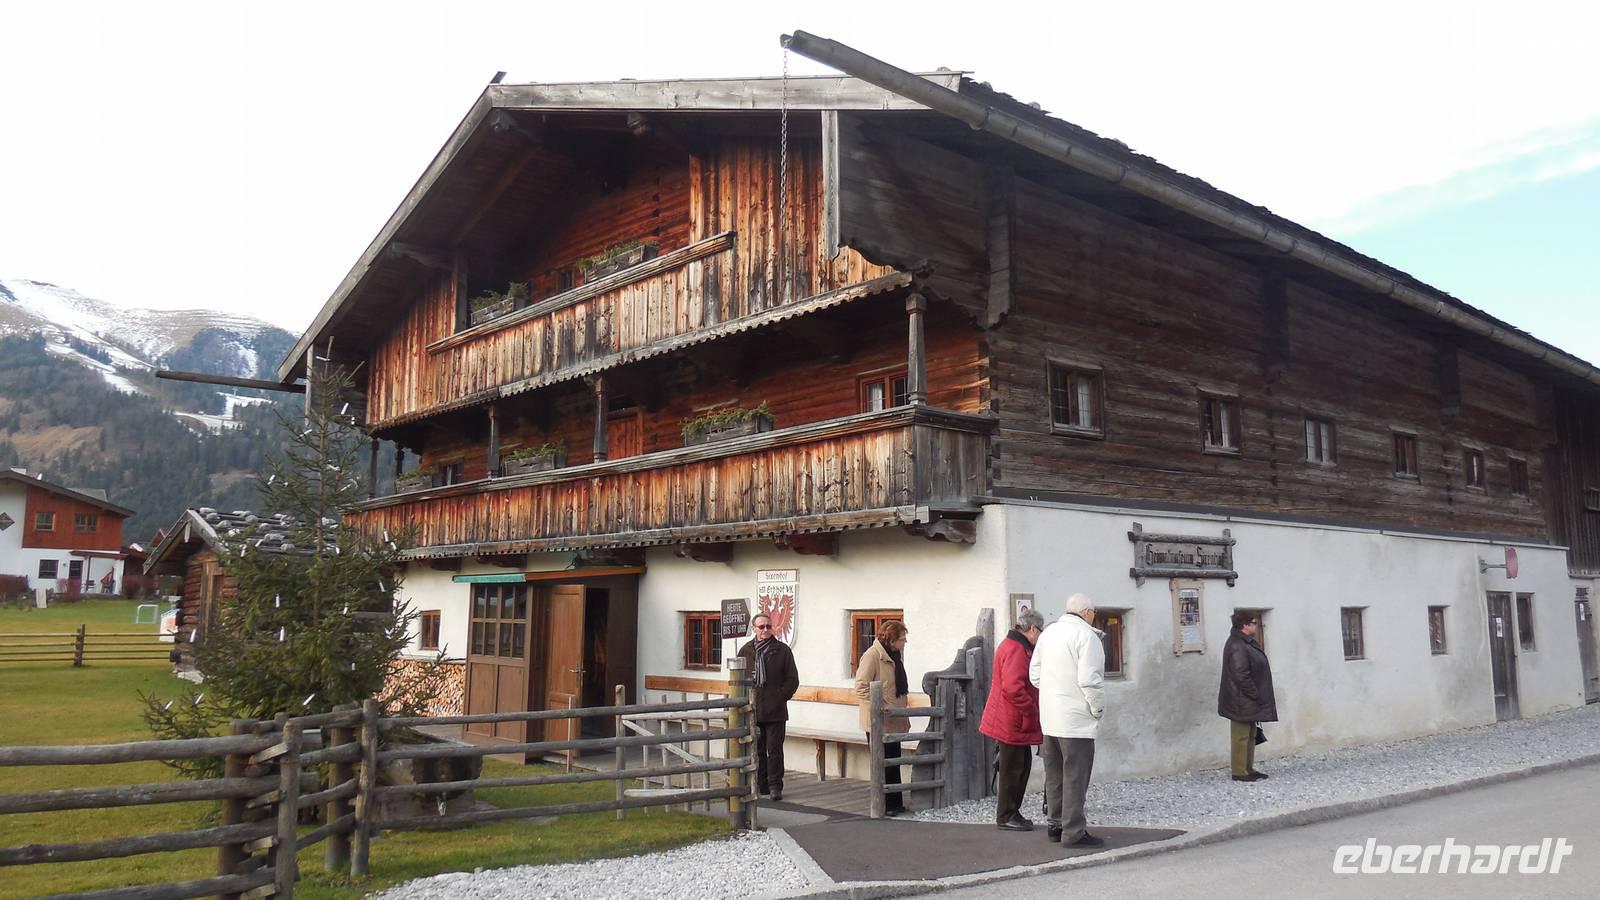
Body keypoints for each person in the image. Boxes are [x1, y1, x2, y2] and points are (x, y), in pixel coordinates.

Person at [1029, 593, 1106, 847]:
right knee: (1075, 775)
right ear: (1086, 612)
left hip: (1050, 717)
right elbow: (1089, 679)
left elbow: (1035, 675)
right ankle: (1073, 832)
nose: (1093, 616)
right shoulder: (1087, 636)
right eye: (1093, 612)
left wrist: (1053, 691)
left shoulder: (1048, 634)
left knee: (1054, 774)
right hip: (1076, 720)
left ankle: (1055, 824)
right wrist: (1097, 709)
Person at [979, 607, 1046, 831]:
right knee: (1013, 769)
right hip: (1013, 719)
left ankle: (1011, 813)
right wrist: (1031, 710)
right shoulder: (1018, 649)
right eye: (1041, 631)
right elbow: (1013, 688)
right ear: (1033, 629)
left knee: (1017, 766)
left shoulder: (1011, 644)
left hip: (1009, 718)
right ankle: (1007, 815)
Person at [737, 612, 799, 801]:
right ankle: (760, 784)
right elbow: (738, 678)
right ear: (754, 629)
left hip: (775, 709)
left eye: (768, 627)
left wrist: (780, 697)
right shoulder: (746, 650)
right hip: (754, 708)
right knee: (757, 748)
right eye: (761, 627)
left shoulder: (782, 650)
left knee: (774, 750)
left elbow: (792, 679)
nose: (765, 630)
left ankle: (775, 786)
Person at [854, 619, 910, 815]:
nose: (904, 643)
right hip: (879, 721)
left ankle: (895, 803)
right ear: (892, 639)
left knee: (894, 761)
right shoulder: (872, 656)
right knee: (882, 762)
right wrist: (879, 708)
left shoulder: (894, 657)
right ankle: (883, 804)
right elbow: (861, 687)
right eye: (902, 639)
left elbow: (898, 689)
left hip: (895, 718)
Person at [1218, 609, 1277, 782]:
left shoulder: (1246, 642)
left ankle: (1248, 768)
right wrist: (1255, 694)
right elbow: (1240, 674)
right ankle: (1239, 771)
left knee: (1251, 734)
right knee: (1241, 735)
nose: (1256, 626)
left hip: (1247, 699)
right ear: (1244, 625)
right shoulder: (1237, 644)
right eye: (1254, 623)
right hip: (1240, 700)